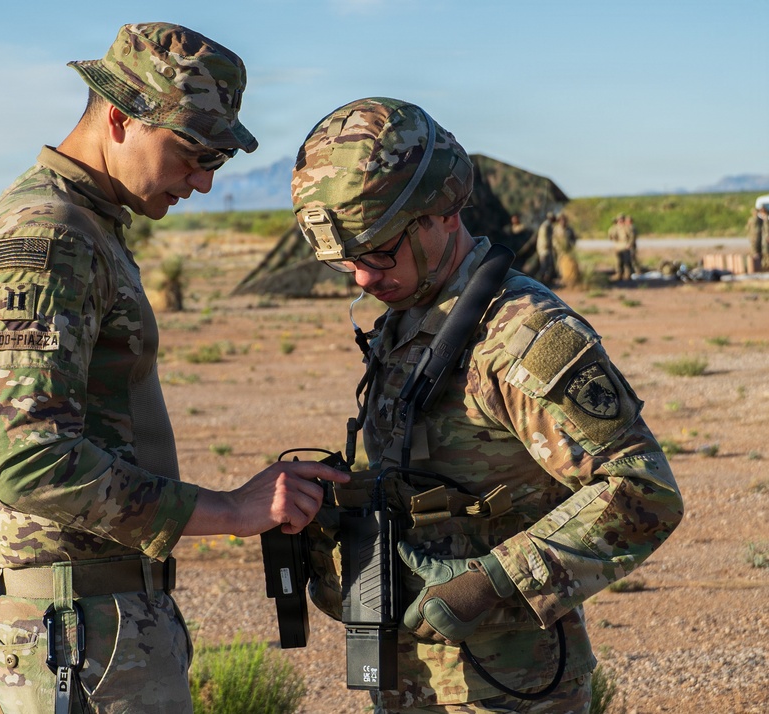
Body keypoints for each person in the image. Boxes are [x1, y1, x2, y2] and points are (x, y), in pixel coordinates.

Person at [0, 22, 347, 714]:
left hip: (100, 621)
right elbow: (26, 459)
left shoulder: (92, 224)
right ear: (118, 117)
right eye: (192, 154)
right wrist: (227, 509)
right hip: (75, 636)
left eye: (218, 162)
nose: (200, 181)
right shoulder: (49, 235)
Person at [290, 97, 683, 713]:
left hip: (510, 684)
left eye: (379, 251)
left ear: (442, 213)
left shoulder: (523, 338)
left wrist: (491, 583)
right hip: (409, 673)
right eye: (346, 260)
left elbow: (643, 490)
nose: (362, 278)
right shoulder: (408, 318)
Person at [608, 214, 633, 281]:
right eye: (619, 220)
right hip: (617, 247)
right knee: (618, 262)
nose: (620, 221)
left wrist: (629, 244)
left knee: (627, 262)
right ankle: (619, 275)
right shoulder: (614, 228)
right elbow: (610, 237)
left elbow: (631, 237)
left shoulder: (627, 228)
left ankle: (628, 275)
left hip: (625, 246)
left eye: (622, 220)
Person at [533, 212, 555, 285]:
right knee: (545, 266)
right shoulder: (547, 225)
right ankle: (540, 281)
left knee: (545, 266)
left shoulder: (546, 225)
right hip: (544, 249)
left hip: (543, 248)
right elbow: (546, 239)